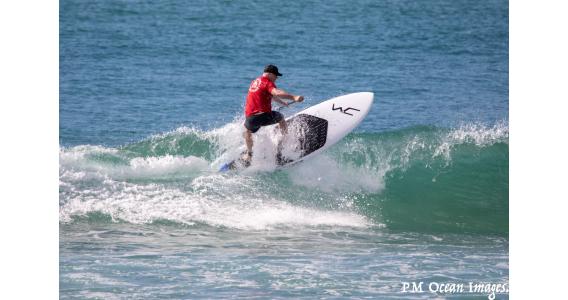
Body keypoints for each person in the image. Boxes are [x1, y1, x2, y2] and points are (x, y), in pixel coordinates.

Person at [242, 64, 304, 164]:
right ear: (270, 74)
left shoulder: (255, 82)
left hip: (250, 117)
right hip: (262, 115)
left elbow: (271, 95)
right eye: (276, 76)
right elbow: (277, 92)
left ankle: (249, 155)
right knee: (281, 119)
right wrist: (294, 97)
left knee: (248, 131)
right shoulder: (267, 82)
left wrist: (282, 102)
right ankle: (281, 150)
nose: (276, 78)